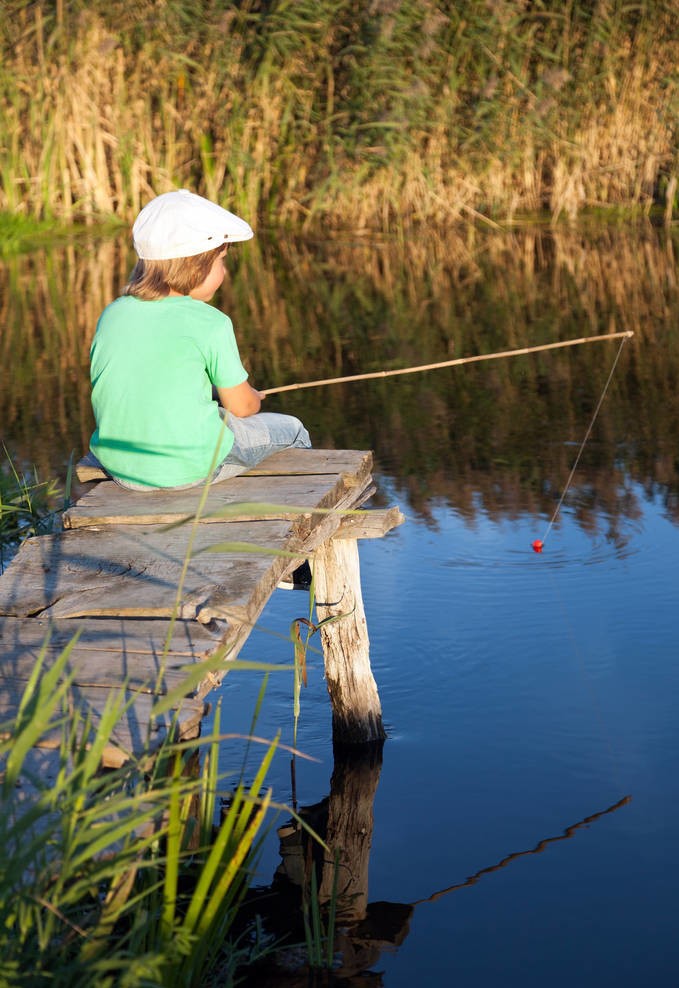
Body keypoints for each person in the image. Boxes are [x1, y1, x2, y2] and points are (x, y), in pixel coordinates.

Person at [87, 189, 311, 490]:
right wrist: (252, 397)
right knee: (293, 430)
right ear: (196, 266)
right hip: (188, 470)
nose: (225, 271)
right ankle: (293, 508)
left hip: (122, 468)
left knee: (217, 415)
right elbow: (242, 408)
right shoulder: (210, 322)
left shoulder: (112, 314)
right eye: (221, 260)